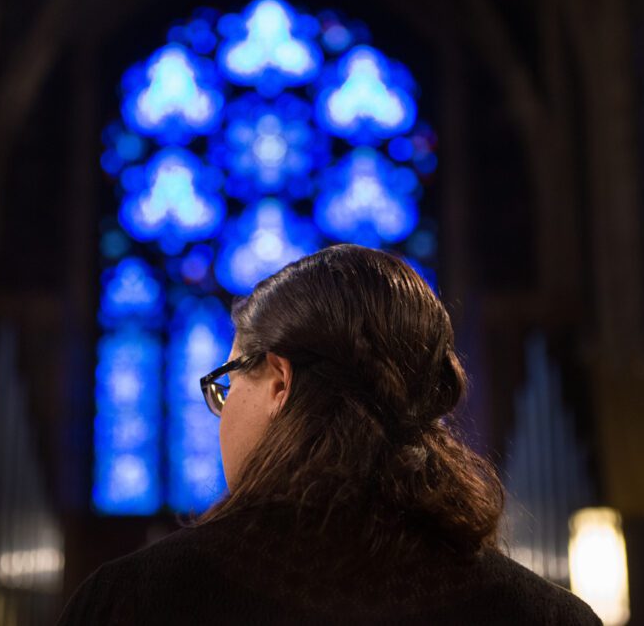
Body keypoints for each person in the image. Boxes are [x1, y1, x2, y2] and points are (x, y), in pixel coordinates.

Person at [57, 244, 601, 625]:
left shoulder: (134, 602)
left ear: (278, 382)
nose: (220, 413)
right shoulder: (550, 616)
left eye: (225, 382)